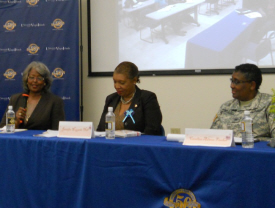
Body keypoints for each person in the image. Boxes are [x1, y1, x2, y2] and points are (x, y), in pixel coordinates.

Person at [211, 63, 275, 140]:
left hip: (256, 151)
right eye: (232, 81)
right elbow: (212, 137)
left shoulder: (270, 104)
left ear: (252, 85)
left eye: (236, 82)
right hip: (228, 151)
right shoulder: (226, 107)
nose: (232, 86)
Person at [97, 61, 163, 135]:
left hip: (137, 145)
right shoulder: (111, 99)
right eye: (115, 82)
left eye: (122, 83)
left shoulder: (147, 98)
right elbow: (100, 130)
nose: (117, 86)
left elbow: (152, 131)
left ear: (134, 80)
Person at [0, 61, 65, 130]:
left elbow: (57, 131)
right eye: (31, 77)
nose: (35, 81)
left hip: (41, 140)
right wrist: (16, 121)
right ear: (27, 80)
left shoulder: (54, 101)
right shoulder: (15, 99)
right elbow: (2, 129)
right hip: (17, 140)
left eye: (39, 78)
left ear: (45, 82)